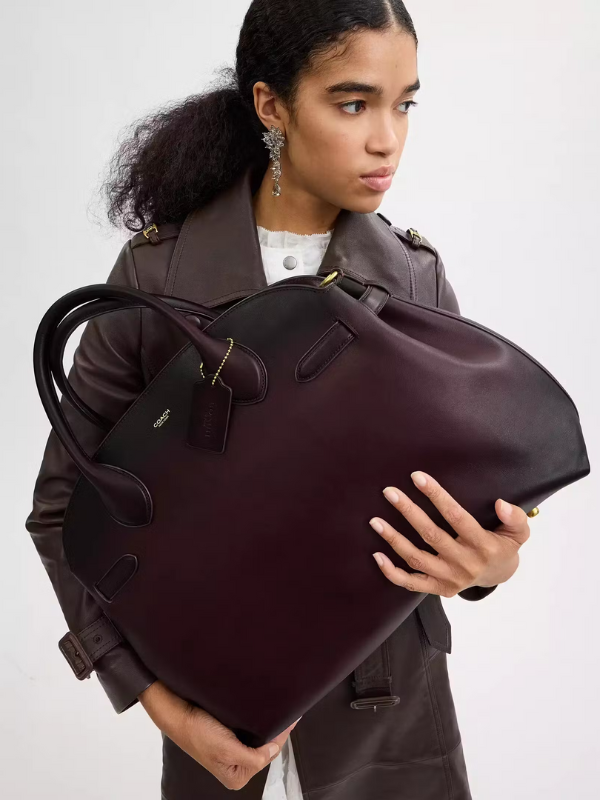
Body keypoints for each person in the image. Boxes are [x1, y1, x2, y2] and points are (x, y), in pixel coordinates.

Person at [25, 1, 532, 798]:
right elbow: (63, 511)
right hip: (212, 718)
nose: (387, 139)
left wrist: (488, 566)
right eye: (354, 103)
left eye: (404, 104)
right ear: (272, 105)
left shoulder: (412, 277)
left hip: (393, 722)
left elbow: (464, 497)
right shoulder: (157, 277)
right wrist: (159, 705)